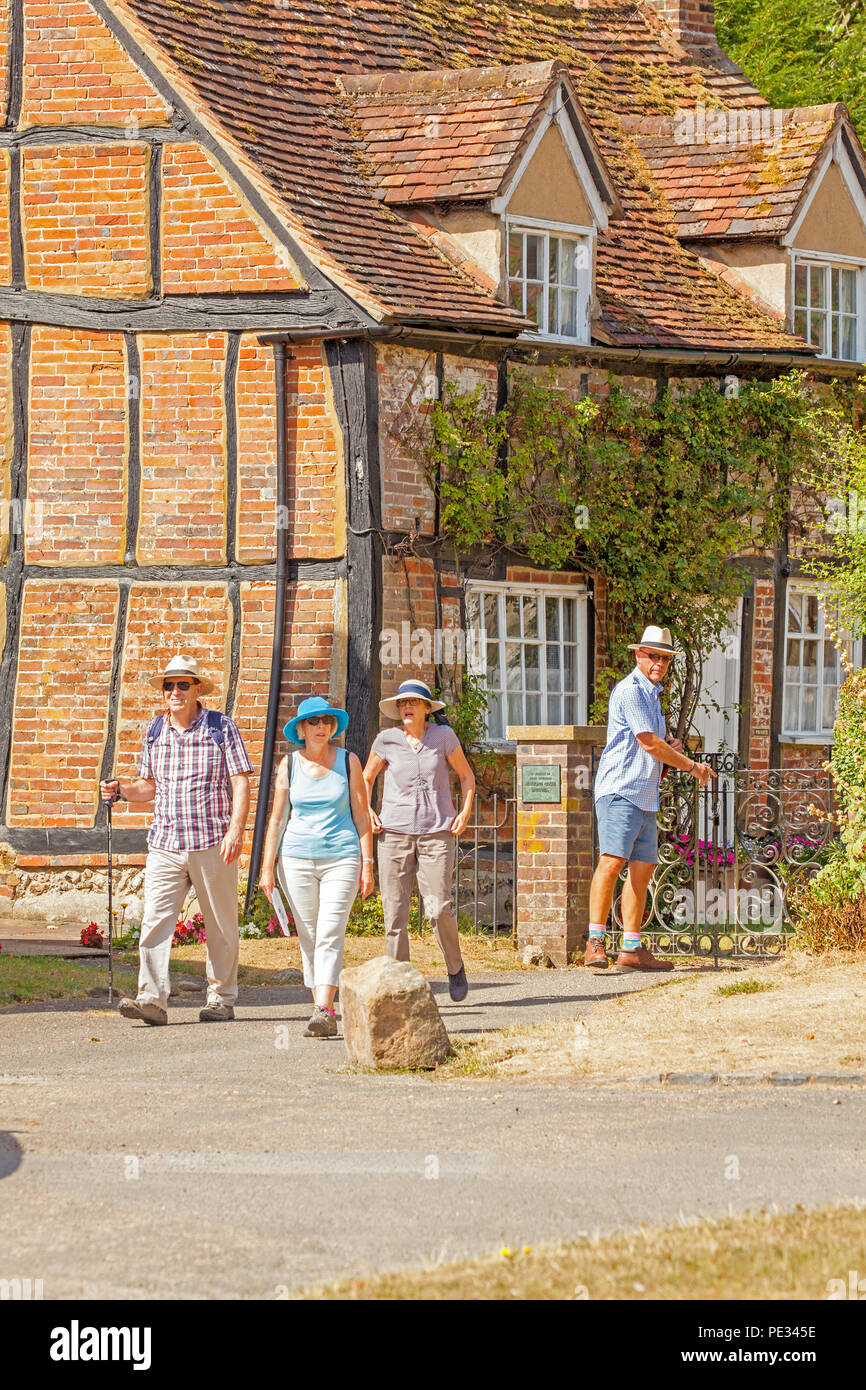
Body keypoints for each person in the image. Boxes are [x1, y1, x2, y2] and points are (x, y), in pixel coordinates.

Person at [100, 654, 253, 1025]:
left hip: (212, 841)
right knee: (154, 921)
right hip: (166, 842)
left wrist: (236, 830)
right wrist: (121, 789)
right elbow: (148, 786)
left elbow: (241, 780)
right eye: (169, 685)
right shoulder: (154, 731)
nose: (175, 691)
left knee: (220, 925)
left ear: (198, 689)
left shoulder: (220, 727)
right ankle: (152, 999)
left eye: (183, 684)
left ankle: (221, 998)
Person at [586, 626, 716, 972]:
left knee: (641, 872)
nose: (659, 662)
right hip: (620, 790)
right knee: (611, 863)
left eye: (664, 658)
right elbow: (647, 742)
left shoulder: (653, 695)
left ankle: (631, 948)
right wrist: (691, 766)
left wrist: (669, 747)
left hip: (645, 795)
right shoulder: (630, 690)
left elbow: (655, 743)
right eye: (653, 655)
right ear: (638, 655)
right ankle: (595, 941)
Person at [259, 696, 373, 1038]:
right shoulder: (289, 765)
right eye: (313, 722)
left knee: (329, 932)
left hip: (342, 856)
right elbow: (277, 819)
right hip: (295, 859)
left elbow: (362, 817)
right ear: (302, 729)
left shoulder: (348, 761)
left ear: (332, 726)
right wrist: (267, 867)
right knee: (308, 935)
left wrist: (368, 863)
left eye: (325, 721)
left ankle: (324, 1008)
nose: (320, 726)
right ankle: (320, 1009)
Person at [363, 678, 475, 1002]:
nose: (407, 707)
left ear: (427, 708)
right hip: (394, 834)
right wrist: (367, 810)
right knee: (394, 912)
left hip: (437, 833)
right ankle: (402, 986)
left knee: (439, 908)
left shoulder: (443, 737)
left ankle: (455, 967)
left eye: (413, 703)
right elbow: (366, 778)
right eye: (402, 703)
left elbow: (467, 777)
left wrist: (465, 811)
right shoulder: (387, 740)